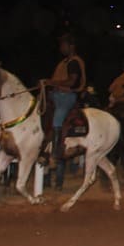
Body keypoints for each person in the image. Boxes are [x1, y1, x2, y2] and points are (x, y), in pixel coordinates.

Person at [40, 33, 86, 190]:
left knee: (58, 118)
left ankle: (56, 152)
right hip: (56, 95)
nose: (61, 48)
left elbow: (72, 81)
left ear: (71, 46)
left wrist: (51, 82)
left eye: (63, 45)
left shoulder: (74, 62)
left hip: (67, 96)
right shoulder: (64, 63)